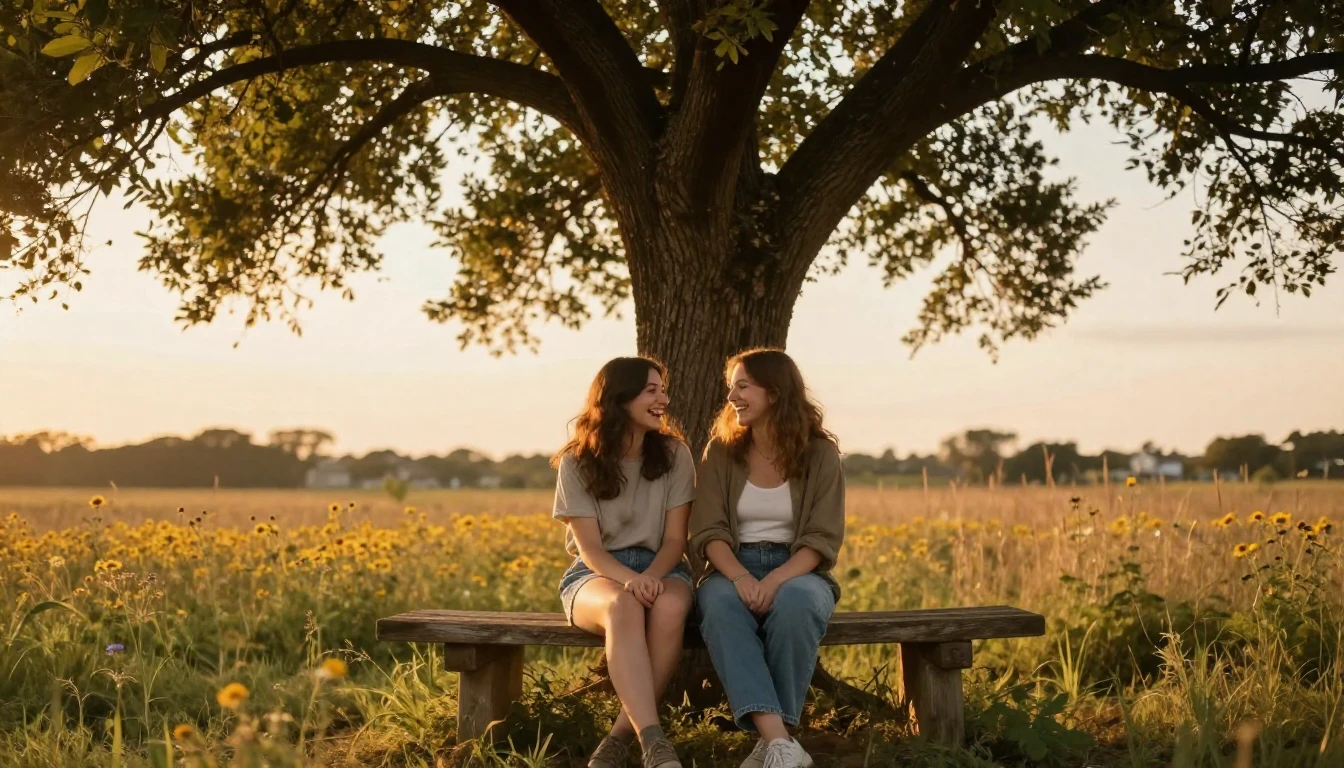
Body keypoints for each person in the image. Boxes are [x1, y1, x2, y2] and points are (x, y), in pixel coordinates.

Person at [689, 348, 846, 768]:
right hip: (730, 565)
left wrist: (775, 580)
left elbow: (822, 536)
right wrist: (741, 579)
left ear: (774, 393)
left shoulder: (820, 455)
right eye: (731, 388)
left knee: (797, 605)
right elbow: (708, 530)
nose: (732, 397)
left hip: (799, 569)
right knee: (719, 607)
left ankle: (772, 744)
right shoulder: (721, 452)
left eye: (743, 386)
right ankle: (781, 742)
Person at [553, 357, 697, 768]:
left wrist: (650, 576)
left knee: (669, 606)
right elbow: (591, 552)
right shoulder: (576, 461)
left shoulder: (674, 454)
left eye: (662, 390)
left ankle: (619, 736)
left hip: (664, 567)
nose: (663, 400)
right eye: (651, 391)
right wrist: (631, 581)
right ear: (619, 398)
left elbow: (675, 540)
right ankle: (654, 740)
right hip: (596, 574)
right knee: (622, 605)